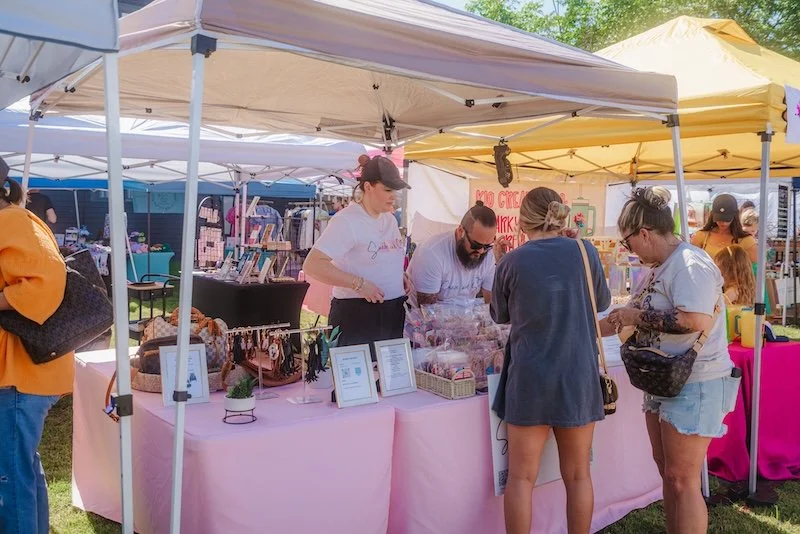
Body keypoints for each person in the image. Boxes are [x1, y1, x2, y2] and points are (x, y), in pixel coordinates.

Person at [601, 187, 739, 534]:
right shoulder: (663, 267)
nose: (628, 250)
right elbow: (623, 316)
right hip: (668, 380)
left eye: (627, 243)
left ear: (644, 234)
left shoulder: (689, 265)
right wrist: (578, 325)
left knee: (682, 478)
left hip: (696, 382)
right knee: (668, 472)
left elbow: (696, 320)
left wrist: (637, 315)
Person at [491, 187, 610, 534]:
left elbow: (500, 315)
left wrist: (500, 263)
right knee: (578, 475)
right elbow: (600, 303)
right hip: (577, 374)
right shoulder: (585, 251)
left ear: (523, 220)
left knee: (521, 478)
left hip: (530, 378)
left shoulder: (512, 261)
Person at [0, 159, 72, 534]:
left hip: (20, 372)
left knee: (10, 475)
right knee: (18, 467)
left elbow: (47, 282)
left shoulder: (13, 221)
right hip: (22, 372)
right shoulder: (14, 219)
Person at [303, 156, 411, 354]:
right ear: (368, 187)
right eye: (387, 190)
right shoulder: (347, 221)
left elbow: (383, 255)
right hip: (357, 313)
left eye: (394, 191)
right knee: (358, 380)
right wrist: (359, 284)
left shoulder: (389, 219)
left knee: (388, 379)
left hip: (392, 311)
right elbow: (313, 265)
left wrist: (399, 275)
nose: (393, 196)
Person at [408, 201, 508, 305]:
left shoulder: (489, 254)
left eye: (487, 246)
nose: (481, 251)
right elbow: (427, 311)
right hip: (424, 317)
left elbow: (491, 304)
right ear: (461, 231)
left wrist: (502, 264)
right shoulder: (431, 253)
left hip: (465, 316)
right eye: (476, 245)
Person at [690, 194, 757, 262]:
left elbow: (754, 269)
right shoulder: (701, 236)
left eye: (727, 219)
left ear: (735, 216)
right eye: (719, 219)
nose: (723, 223)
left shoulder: (747, 241)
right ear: (712, 215)